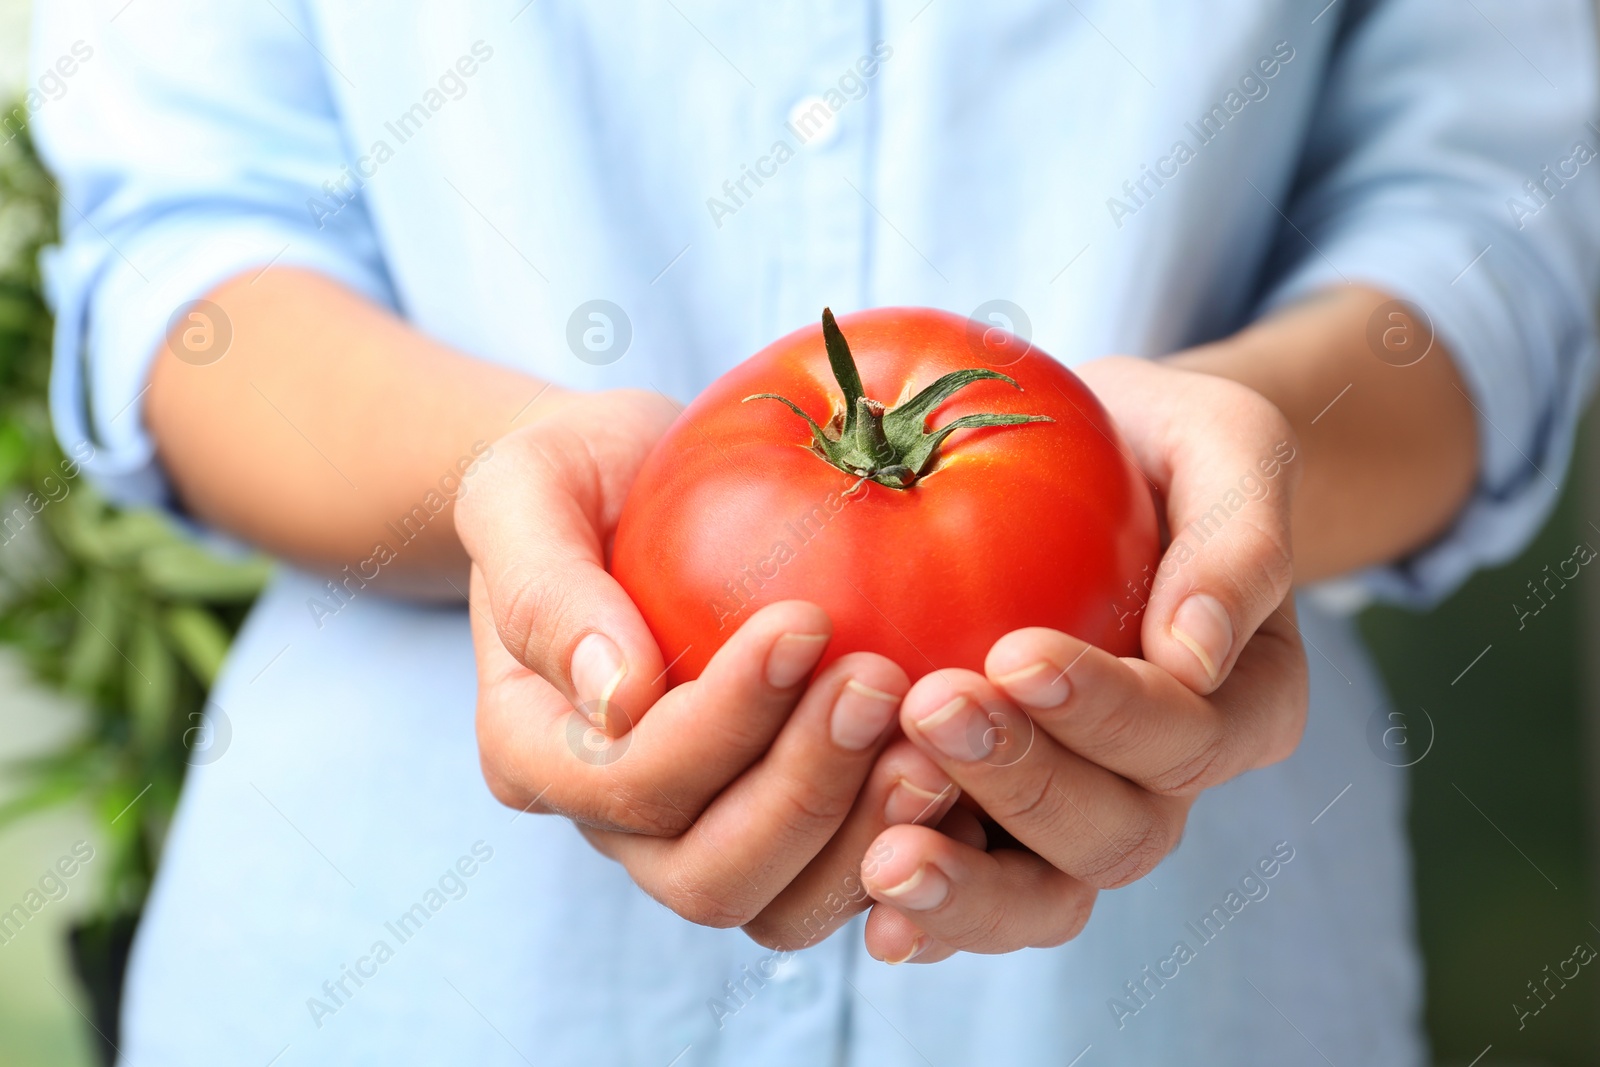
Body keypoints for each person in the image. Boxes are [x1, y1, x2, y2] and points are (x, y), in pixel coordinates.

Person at [32, 1, 1598, 1064]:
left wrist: (1239, 485)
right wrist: (506, 480)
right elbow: (186, 257)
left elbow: (1498, 239)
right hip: (405, 980)